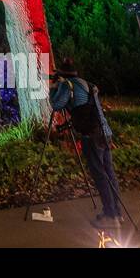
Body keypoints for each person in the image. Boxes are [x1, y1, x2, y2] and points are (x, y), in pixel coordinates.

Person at [50, 58, 124, 228]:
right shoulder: (89, 85)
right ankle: (116, 212)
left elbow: (56, 105)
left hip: (91, 135)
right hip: (105, 132)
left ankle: (110, 216)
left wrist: (54, 88)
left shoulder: (67, 85)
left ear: (62, 75)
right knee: (109, 173)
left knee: (100, 175)